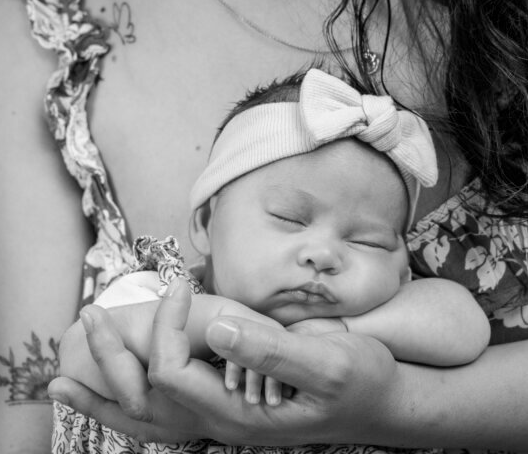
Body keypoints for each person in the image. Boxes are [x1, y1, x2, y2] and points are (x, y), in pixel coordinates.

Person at [0, 0, 528, 452]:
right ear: (203, 223)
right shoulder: (38, 37)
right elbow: (28, 411)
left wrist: (400, 405)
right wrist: (119, 386)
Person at [58, 68, 490, 414]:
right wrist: (218, 322)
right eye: (289, 219)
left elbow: (466, 328)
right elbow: (79, 355)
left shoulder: (382, 314)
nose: (323, 255)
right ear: (206, 223)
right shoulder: (161, 292)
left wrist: (342, 330)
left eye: (368, 242)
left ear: (400, 265)